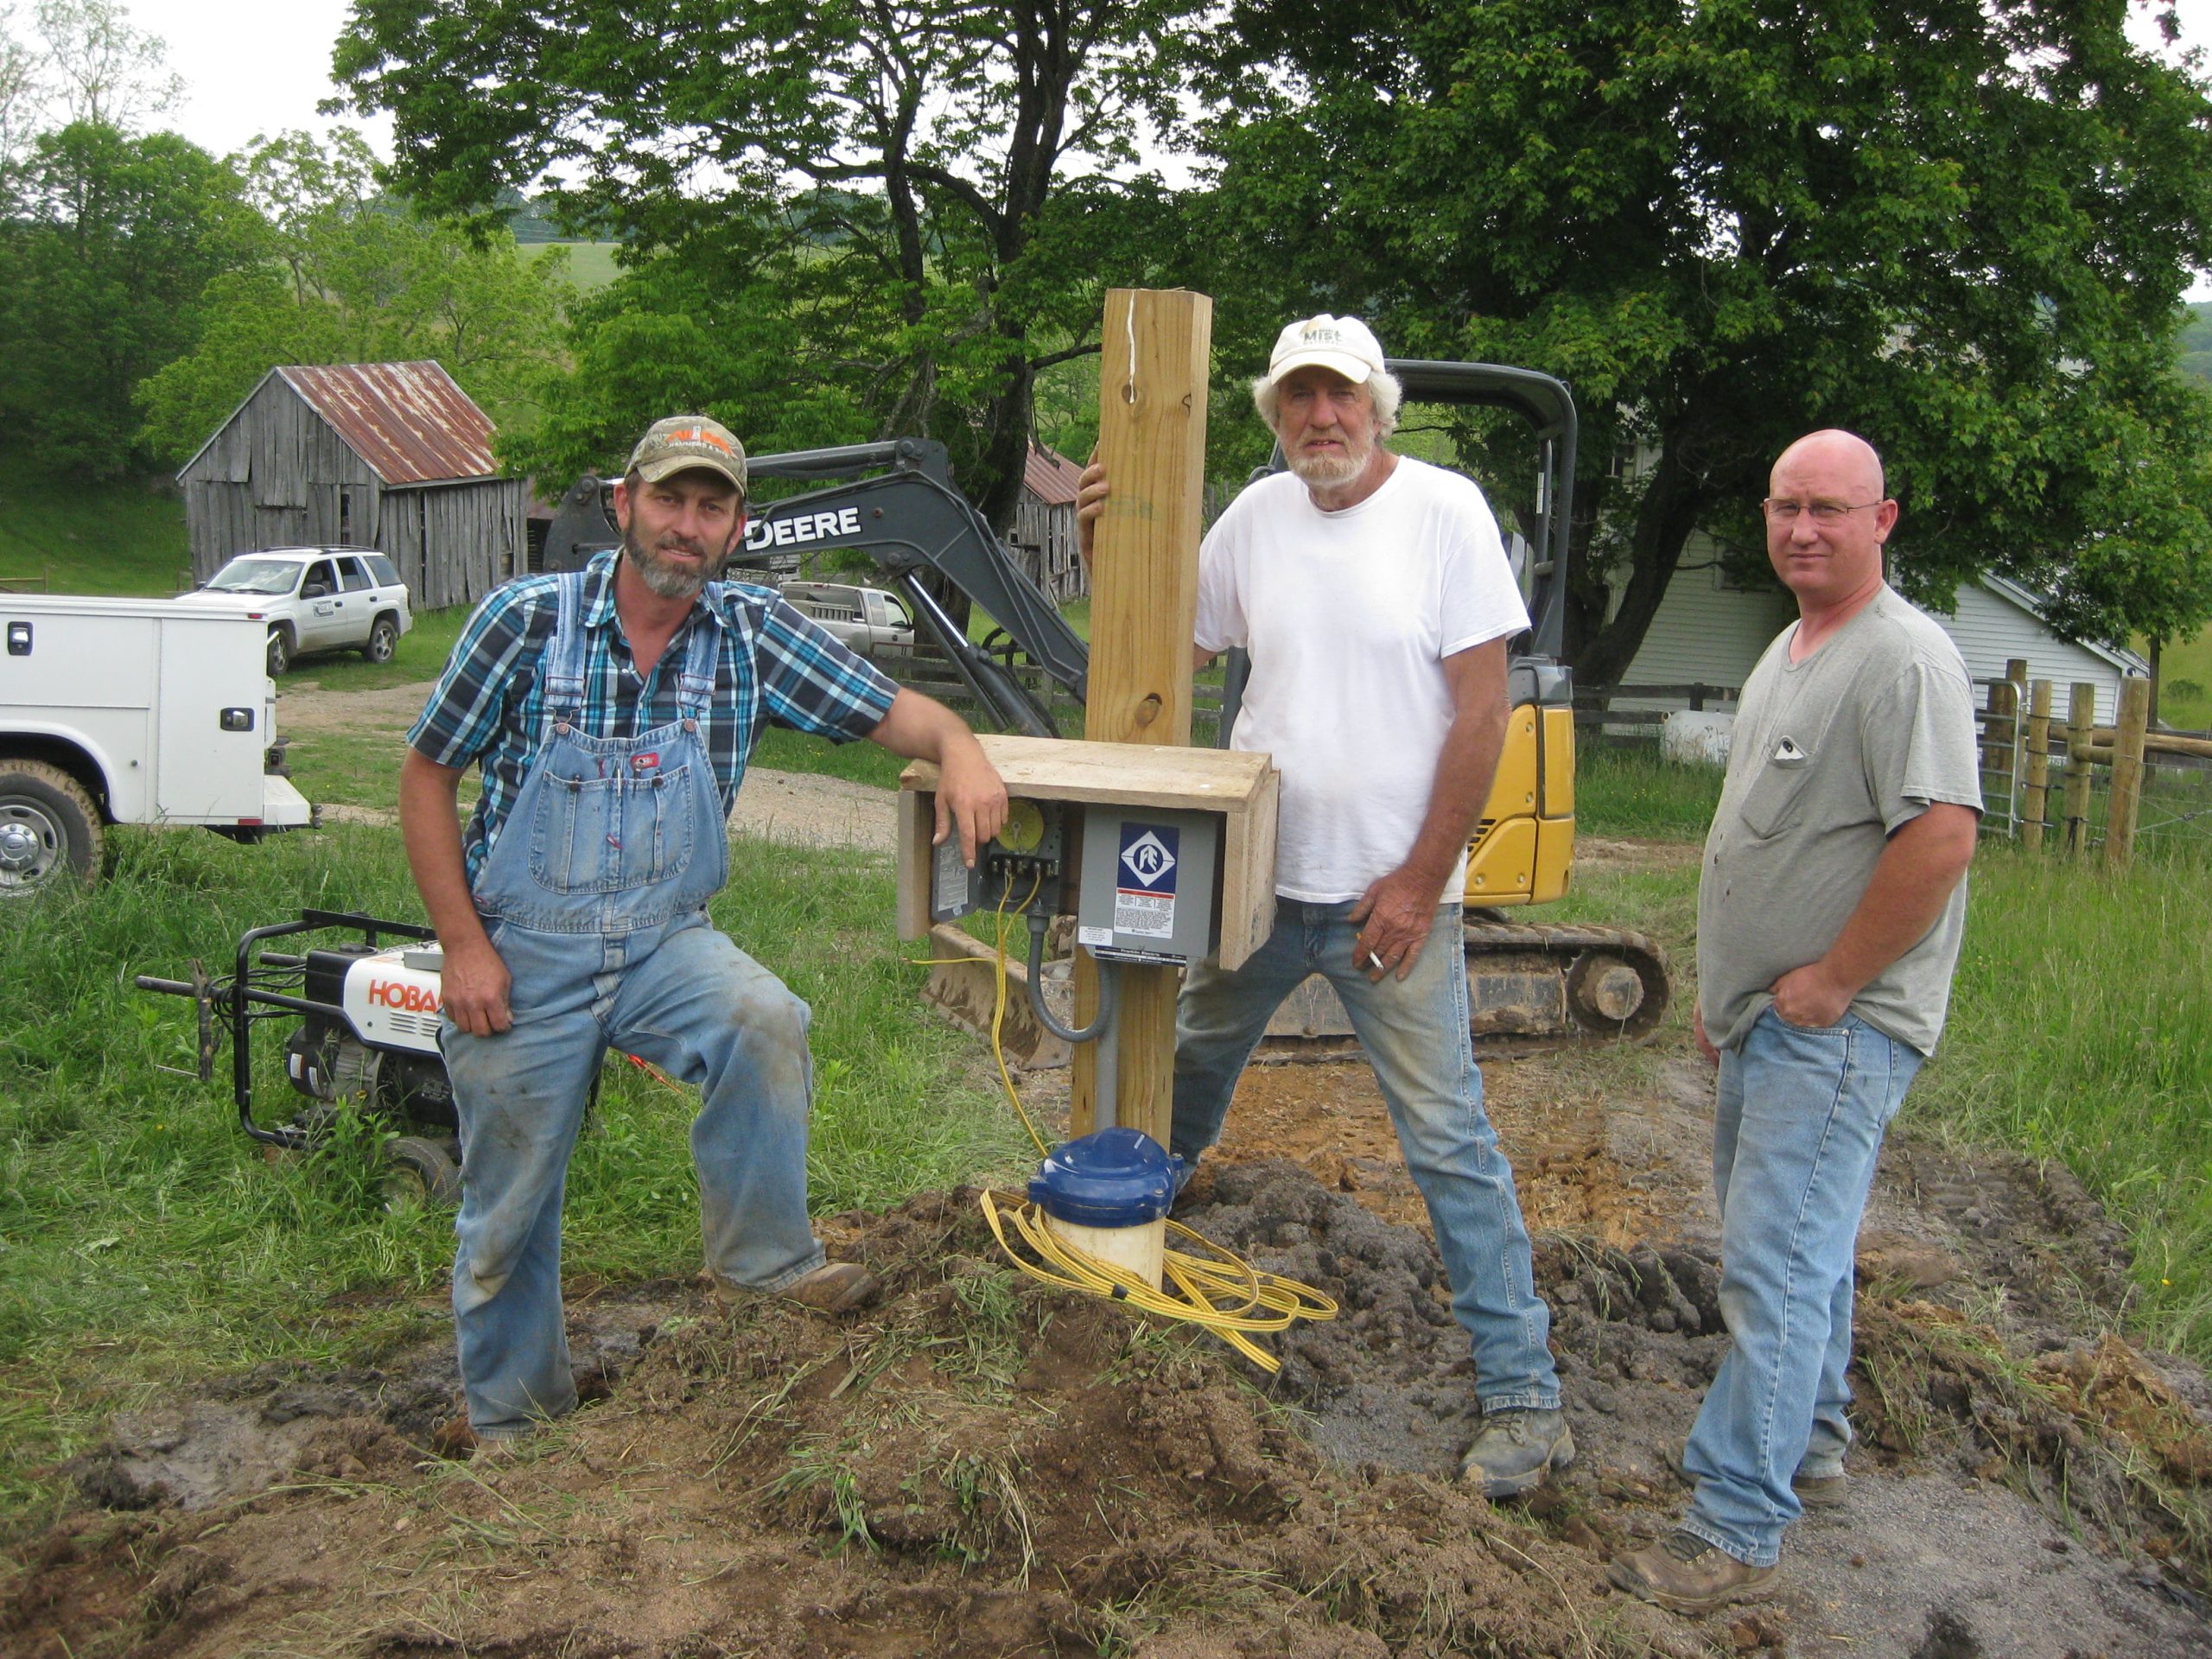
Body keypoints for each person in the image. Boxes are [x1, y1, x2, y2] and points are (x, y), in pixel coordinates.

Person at [400, 414, 1007, 1447]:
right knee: (509, 1205)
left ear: (736, 529)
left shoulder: (753, 634)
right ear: (623, 505)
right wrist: (464, 946)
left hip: (659, 938)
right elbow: (426, 775)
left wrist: (961, 743)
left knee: (762, 1018)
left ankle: (766, 1270)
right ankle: (513, 1420)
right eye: (670, 500)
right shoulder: (523, 619)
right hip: (521, 947)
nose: (687, 526)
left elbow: (901, 714)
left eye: (711, 507)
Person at [1077, 315, 1570, 1497]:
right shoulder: (1256, 516)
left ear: (1378, 405)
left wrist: (1416, 881)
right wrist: (1114, 541)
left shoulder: (1445, 514)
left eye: (1340, 397)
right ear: (1275, 413)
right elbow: (1170, 649)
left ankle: (1524, 1395)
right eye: (1298, 399)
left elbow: (1483, 715)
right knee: (1174, 1092)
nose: (1321, 418)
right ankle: (1106, 1309)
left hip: (1386, 906)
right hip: (1254, 890)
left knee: (1449, 1142)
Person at [1608, 429, 1981, 1612]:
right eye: (1784, 506)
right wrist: (1732, 998)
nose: (1801, 527)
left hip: (1838, 1025)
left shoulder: (1901, 660)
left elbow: (1941, 839)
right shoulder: (1794, 643)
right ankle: (1809, 1438)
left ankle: (1734, 1524)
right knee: (1801, 1255)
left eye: (1830, 507)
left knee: (1772, 1267)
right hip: (1771, 1022)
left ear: (1886, 520)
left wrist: (1828, 983)